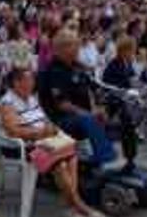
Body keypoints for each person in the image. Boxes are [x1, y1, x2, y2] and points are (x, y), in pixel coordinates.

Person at [0, 67, 106, 217]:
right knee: (60, 164)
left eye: (32, 79)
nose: (33, 83)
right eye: (28, 80)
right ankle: (79, 206)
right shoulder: (7, 103)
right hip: (20, 146)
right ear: (16, 83)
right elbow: (13, 131)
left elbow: (44, 119)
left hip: (42, 142)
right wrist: (40, 133)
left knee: (71, 155)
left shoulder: (31, 99)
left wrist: (51, 129)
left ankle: (71, 208)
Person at [38, 29, 127, 170]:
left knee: (113, 112)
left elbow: (93, 87)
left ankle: (108, 153)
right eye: (75, 45)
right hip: (60, 120)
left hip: (79, 115)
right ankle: (107, 159)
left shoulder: (76, 66)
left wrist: (100, 107)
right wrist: (89, 113)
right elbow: (63, 105)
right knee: (88, 119)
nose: (78, 48)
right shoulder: (53, 71)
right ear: (63, 48)